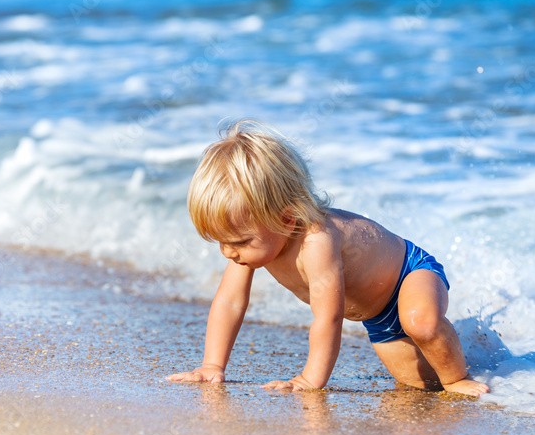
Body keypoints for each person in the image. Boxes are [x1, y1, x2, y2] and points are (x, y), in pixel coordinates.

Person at [165, 120, 489, 397]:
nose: (229, 252)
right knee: (423, 384)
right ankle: (485, 355)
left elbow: (328, 318)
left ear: (286, 219)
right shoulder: (253, 245)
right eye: (222, 242)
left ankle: (459, 378)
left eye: (238, 242)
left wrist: (311, 380)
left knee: (422, 326)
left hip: (409, 273)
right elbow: (230, 302)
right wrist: (212, 366)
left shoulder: (316, 241)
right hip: (377, 317)